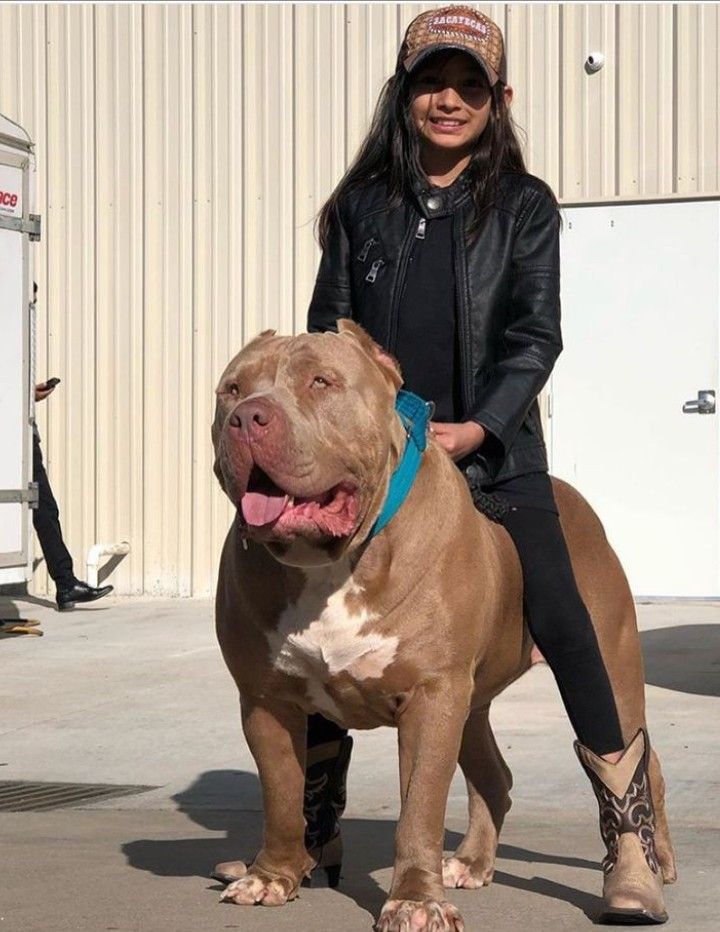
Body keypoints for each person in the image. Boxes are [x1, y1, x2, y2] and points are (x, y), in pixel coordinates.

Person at [302, 6, 667, 923]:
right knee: (310, 624)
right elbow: (329, 339)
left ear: (497, 99)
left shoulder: (525, 204)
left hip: (494, 460)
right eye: (432, 82)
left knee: (566, 618)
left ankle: (627, 841)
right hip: (380, 469)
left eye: (470, 84)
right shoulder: (361, 205)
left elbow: (535, 336)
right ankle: (314, 831)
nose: (449, 99)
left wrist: (479, 429)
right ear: (404, 93)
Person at [33, 378, 113, 611]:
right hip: (14, 438)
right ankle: (66, 583)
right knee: (43, 509)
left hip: (21, 437)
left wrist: (27, 394)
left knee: (45, 509)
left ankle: (66, 584)